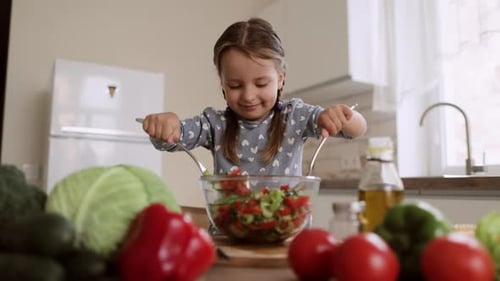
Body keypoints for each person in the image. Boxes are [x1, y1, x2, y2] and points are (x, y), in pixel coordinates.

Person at [141, 17, 367, 176]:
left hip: (286, 239)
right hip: (229, 236)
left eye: (261, 83)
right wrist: (167, 126)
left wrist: (343, 117)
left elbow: (357, 130)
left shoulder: (295, 116)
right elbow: (170, 140)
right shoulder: (214, 124)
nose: (249, 96)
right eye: (235, 85)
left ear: (280, 79)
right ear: (222, 84)